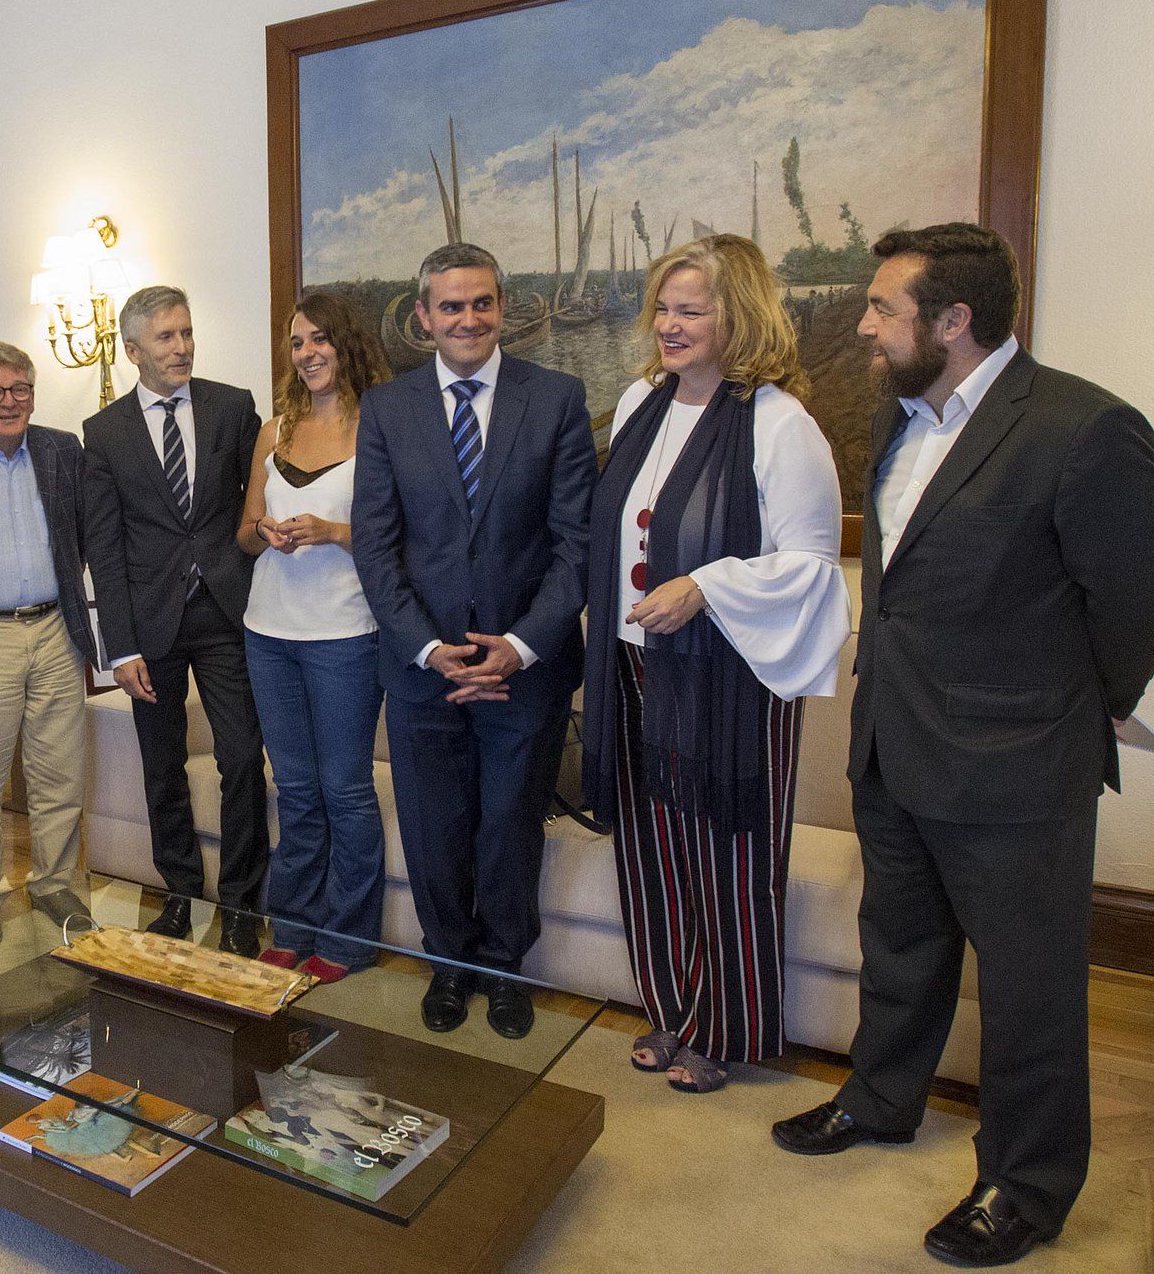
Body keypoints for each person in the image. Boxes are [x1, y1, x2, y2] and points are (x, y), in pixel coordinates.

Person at [771, 224, 1154, 1266]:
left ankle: (1026, 1184)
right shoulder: (897, 416)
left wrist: (1072, 712)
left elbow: (1141, 602)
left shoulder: (1081, 428)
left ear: (951, 320)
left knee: (1026, 985)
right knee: (898, 948)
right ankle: (877, 1100)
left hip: (1014, 765)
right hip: (893, 743)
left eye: (880, 307)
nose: (860, 323)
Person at [580, 234, 850, 1094]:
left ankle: (724, 1026)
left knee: (725, 852)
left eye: (690, 310)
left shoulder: (780, 424)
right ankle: (669, 1006)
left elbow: (813, 566)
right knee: (652, 846)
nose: (668, 324)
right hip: (634, 664)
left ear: (740, 318)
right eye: (662, 307)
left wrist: (703, 585)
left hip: (730, 678)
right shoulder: (637, 405)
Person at [351, 242, 595, 1040]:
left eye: (481, 302)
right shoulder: (387, 409)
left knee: (508, 825)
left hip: (526, 671)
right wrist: (430, 649)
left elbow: (575, 546)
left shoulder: (556, 398)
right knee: (432, 826)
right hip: (422, 672)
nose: (467, 318)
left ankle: (503, 969)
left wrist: (519, 646)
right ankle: (449, 964)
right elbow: (376, 547)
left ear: (503, 307)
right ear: (423, 317)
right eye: (450, 306)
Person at [82, 285, 269, 953]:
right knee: (162, 769)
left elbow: (256, 501)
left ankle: (244, 905)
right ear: (133, 350)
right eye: (166, 337)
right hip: (149, 624)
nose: (182, 346)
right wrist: (119, 646)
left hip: (226, 612)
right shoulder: (102, 434)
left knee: (243, 757)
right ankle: (182, 896)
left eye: (186, 332)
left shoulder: (232, 407)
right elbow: (103, 547)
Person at [237, 292, 389, 983]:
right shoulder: (274, 431)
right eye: (297, 343)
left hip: (346, 637)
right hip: (268, 633)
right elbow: (242, 532)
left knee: (345, 791)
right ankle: (291, 928)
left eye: (320, 339)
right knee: (294, 790)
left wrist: (333, 533)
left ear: (346, 343)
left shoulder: (380, 428)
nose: (308, 354)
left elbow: (401, 539)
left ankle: (349, 940)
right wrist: (264, 532)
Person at [0, 340, 98, 948]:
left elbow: (84, 535)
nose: (9, 402)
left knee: (60, 773)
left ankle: (54, 883)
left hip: (56, 626)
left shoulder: (62, 450)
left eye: (20, 390)